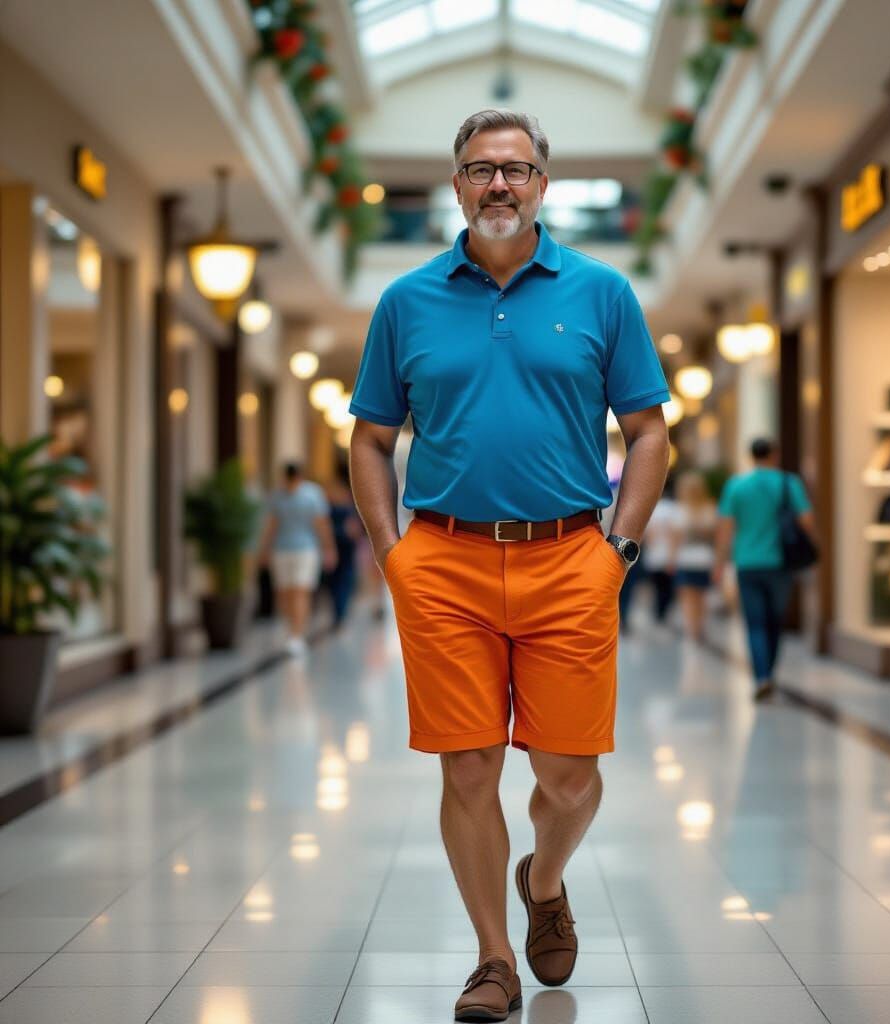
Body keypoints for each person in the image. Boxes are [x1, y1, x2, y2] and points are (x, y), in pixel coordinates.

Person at [348, 109, 669, 1022]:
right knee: (468, 768)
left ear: (541, 185)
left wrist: (619, 552)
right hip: (442, 562)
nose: (499, 184)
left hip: (571, 558)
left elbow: (649, 436)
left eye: (517, 170)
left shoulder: (602, 293)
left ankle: (545, 875)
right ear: (454, 185)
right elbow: (370, 441)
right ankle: (493, 959)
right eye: (481, 169)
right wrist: (392, 554)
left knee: (569, 777)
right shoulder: (405, 302)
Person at [713, 438, 815, 701]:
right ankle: (769, 673)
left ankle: (762, 677)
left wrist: (720, 564)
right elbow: (806, 521)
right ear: (775, 455)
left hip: (747, 563)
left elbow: (725, 530)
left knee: (755, 623)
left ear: (751, 456)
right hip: (780, 564)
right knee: (774, 622)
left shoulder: (736, 486)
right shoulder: (788, 483)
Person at [257, 462, 337, 656]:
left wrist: (328, 547)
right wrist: (265, 550)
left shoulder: (312, 495)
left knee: (300, 591)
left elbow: (321, 524)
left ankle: (297, 635)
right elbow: (272, 525)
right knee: (284, 593)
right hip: (282, 549)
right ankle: (292, 631)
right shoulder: (278, 496)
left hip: (306, 550)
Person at [674, 471, 717, 640]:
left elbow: (675, 540)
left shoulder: (680, 510)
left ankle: (692, 630)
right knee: (702, 597)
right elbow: (715, 536)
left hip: (686, 559)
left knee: (688, 598)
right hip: (705, 559)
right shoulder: (709, 509)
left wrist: (671, 559)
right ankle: (700, 628)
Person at [641, 481, 683, 629]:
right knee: (667, 588)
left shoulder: (653, 509)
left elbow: (647, 535)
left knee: (657, 587)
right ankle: (662, 613)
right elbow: (676, 535)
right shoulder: (674, 509)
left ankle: (658, 613)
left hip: (654, 555)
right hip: (668, 556)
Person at [324, 462, 362, 629]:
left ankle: (340, 611)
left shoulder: (336, 501)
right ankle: (340, 611)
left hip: (340, 542)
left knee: (341, 577)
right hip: (341, 541)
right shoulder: (345, 500)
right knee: (341, 577)